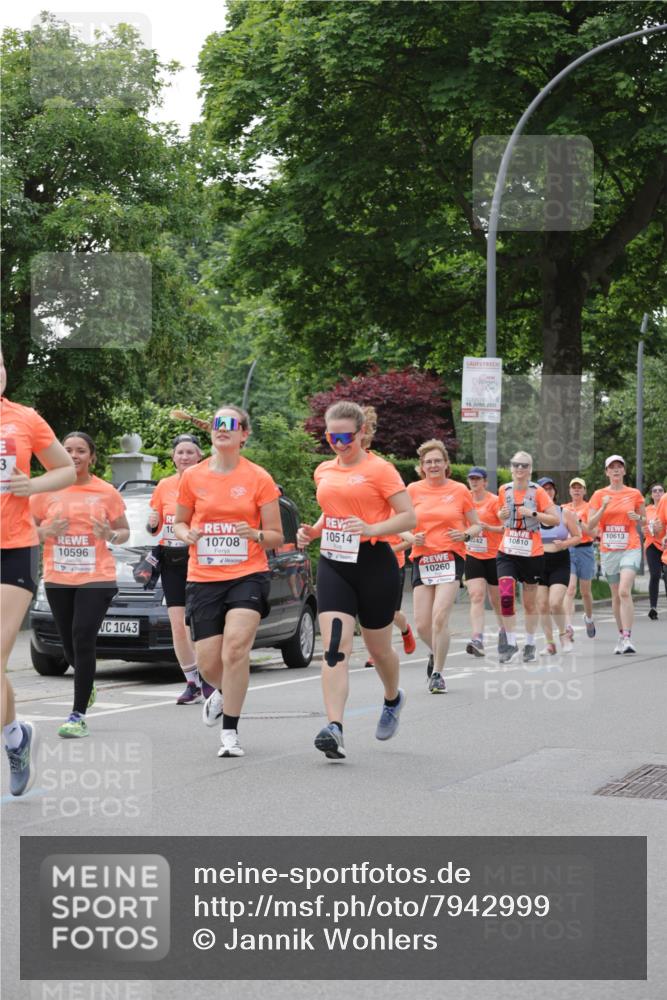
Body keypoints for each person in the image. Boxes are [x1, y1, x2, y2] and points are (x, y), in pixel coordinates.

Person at [297, 401, 416, 760]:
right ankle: (334, 727)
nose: (338, 443)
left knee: (379, 649)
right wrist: (314, 531)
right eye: (331, 436)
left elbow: (409, 517)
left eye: (346, 436)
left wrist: (372, 528)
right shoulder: (323, 470)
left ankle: (393, 698)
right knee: (335, 646)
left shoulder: (381, 470)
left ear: (362, 433)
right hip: (335, 561)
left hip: (375, 561)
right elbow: (334, 507)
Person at [174, 405, 283, 758]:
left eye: (230, 424)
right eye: (217, 423)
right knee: (208, 662)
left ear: (243, 434)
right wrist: (185, 533)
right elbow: (178, 522)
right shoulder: (192, 477)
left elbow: (276, 536)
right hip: (203, 576)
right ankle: (221, 692)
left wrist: (254, 533)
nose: (222, 429)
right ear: (211, 432)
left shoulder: (259, 478)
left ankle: (230, 733)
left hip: (247, 574)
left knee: (235, 648)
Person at [1, 352, 75, 792]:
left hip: (14, 546)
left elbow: (64, 468)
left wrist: (33, 486)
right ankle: (15, 734)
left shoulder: (24, 419)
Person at [30, 432, 130, 737]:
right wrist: (45, 530)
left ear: (92, 457)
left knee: (83, 636)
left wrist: (108, 535)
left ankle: (77, 715)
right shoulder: (44, 490)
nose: (74, 455)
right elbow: (27, 530)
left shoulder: (105, 492)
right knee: (70, 648)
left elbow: (124, 531)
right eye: (68, 450)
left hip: (96, 577)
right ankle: (86, 684)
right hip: (58, 577)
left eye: (81, 451)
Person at [403, 441, 483, 694]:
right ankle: (434, 650)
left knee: (440, 617)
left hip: (450, 557)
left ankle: (437, 673)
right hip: (423, 559)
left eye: (438, 461)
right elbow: (400, 523)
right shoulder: (412, 490)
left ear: (446, 464)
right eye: (428, 462)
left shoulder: (459, 490)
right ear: (421, 467)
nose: (433, 465)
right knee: (422, 624)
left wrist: (465, 536)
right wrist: (409, 538)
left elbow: (476, 525)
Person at [147, 433, 216, 705]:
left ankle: (210, 677)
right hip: (171, 559)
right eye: (180, 453)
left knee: (199, 621)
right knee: (177, 625)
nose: (185, 457)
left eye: (190, 452)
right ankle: (192, 681)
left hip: (200, 557)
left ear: (200, 456)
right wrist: (152, 522)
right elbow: (153, 528)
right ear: (173, 457)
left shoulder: (208, 483)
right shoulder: (164, 485)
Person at [359, 407, 416, 668]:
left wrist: (394, 546)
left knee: (390, 613)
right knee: (369, 610)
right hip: (363, 557)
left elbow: (407, 534)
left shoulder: (390, 497)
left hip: (393, 561)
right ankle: (376, 651)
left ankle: (404, 631)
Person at [496, 452, 559, 664]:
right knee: (505, 595)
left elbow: (555, 519)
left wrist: (532, 514)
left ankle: (530, 643)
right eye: (516, 465)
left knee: (529, 604)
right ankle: (511, 642)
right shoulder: (503, 490)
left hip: (532, 553)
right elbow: (501, 514)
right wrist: (501, 515)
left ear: (530, 469)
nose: (520, 469)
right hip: (507, 550)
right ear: (511, 467)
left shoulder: (538, 492)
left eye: (524, 465)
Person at [587, 455, 646, 654]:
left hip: (630, 546)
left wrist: (638, 517)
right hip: (609, 549)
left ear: (624, 471)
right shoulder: (598, 495)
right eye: (611, 467)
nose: (616, 470)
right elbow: (590, 525)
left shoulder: (635, 494)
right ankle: (621, 634)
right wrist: (603, 506)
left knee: (623, 591)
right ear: (606, 472)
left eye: (619, 467)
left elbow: (645, 521)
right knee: (615, 595)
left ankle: (628, 638)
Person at [463, 466, 507, 658]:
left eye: (478, 479)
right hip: (472, 554)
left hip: (494, 555)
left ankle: (504, 632)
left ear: (485, 482)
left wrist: (489, 527)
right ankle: (477, 638)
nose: (474, 482)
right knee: (476, 596)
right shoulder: (465, 500)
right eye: (471, 479)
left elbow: (506, 528)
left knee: (497, 600)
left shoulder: (494, 501)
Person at [534, 476, 581, 655]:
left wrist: (564, 544)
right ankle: (549, 643)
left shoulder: (564, 513)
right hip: (538, 562)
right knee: (542, 605)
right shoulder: (533, 515)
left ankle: (563, 635)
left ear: (554, 492)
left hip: (560, 561)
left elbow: (578, 537)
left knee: (555, 603)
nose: (548, 491)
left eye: (550, 488)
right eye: (543, 489)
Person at [563, 477, 597, 638]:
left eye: (579, 487)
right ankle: (568, 626)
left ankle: (588, 618)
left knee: (585, 592)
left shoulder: (589, 507)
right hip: (568, 550)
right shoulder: (563, 508)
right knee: (569, 589)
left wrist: (578, 520)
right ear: (569, 491)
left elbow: (592, 532)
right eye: (573, 487)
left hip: (585, 550)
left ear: (584, 491)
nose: (576, 490)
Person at [644, 483, 666, 620]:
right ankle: (653, 607)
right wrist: (644, 529)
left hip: (665, 544)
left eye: (660, 490)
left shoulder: (666, 506)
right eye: (654, 491)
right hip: (652, 544)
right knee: (655, 574)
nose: (657, 493)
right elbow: (643, 526)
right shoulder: (647, 510)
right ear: (651, 495)